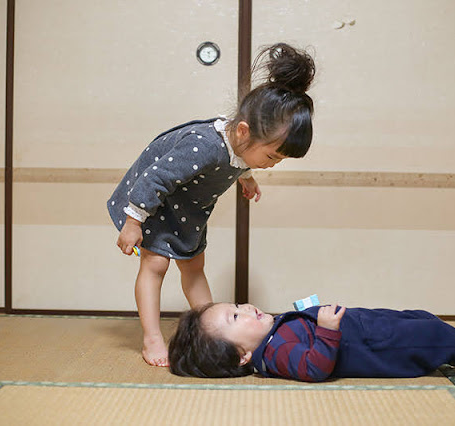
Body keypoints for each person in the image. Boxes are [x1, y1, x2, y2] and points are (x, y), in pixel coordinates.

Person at [107, 43, 316, 367]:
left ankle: (213, 332)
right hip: (154, 204)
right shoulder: (204, 145)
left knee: (193, 267)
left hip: (190, 210)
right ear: (244, 131)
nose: (273, 164)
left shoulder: (240, 142)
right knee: (155, 265)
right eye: (272, 156)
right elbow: (155, 178)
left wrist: (247, 177)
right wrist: (133, 222)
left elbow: (239, 159)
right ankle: (151, 338)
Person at [168, 302, 455, 382]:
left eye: (236, 305)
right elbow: (314, 368)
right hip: (376, 347)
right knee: (431, 336)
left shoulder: (272, 334)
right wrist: (326, 330)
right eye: (235, 318)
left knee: (423, 319)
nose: (245, 308)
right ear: (243, 356)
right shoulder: (274, 355)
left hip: (369, 326)